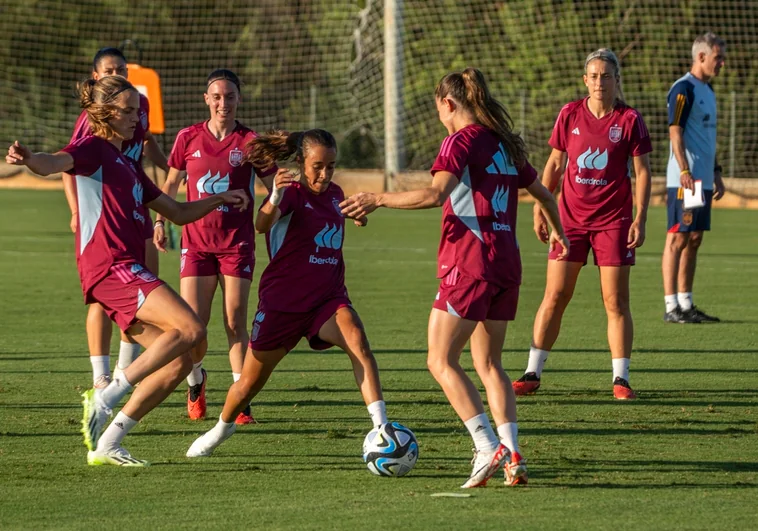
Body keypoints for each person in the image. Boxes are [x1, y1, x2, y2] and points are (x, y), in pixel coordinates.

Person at [340, 68, 568, 488]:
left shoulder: (459, 141)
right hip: (506, 264)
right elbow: (546, 194)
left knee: (440, 359)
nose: (439, 117)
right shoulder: (503, 143)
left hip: (470, 263)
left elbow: (434, 194)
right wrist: (557, 230)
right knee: (489, 363)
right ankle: (513, 454)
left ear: (447, 103)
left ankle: (486, 446)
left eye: (438, 108)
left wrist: (377, 198)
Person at [6, 76, 249, 466]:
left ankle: (110, 443)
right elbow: (55, 163)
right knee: (191, 329)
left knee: (180, 360)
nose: (138, 118)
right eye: (130, 111)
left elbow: (179, 212)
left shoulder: (128, 165)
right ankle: (105, 395)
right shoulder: (93, 149)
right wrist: (30, 159)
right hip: (111, 268)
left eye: (138, 110)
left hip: (127, 268)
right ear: (107, 114)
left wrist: (219, 198)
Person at [186, 129, 392, 459]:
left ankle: (381, 427)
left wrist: (359, 218)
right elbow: (262, 224)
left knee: (358, 340)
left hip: (327, 299)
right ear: (301, 162)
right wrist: (276, 196)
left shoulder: (336, 193)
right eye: (318, 166)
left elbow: (341, 217)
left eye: (331, 166)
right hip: (283, 306)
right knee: (248, 385)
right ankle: (221, 428)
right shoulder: (292, 193)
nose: (325, 174)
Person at [512, 49, 653, 400]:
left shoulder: (630, 119)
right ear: (585, 80)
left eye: (606, 76)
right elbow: (555, 163)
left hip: (614, 222)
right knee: (555, 295)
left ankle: (621, 380)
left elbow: (642, 172)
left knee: (615, 301)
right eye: (594, 76)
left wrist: (640, 217)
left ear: (617, 80)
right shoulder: (569, 114)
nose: (600, 82)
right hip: (568, 220)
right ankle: (532, 372)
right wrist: (540, 208)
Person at [154, 69, 275, 424]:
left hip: (236, 245)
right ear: (206, 99)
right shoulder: (188, 137)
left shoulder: (251, 141)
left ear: (239, 99)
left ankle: (240, 400)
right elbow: (172, 182)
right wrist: (160, 221)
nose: (224, 103)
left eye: (230, 96)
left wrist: (270, 212)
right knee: (194, 326)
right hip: (196, 243)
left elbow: (276, 188)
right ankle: (196, 382)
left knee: (235, 321)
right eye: (217, 96)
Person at [61, 47, 169, 390]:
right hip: (105, 217)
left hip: (136, 203)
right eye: (110, 70)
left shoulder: (137, 106)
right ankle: (101, 377)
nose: (117, 74)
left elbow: (147, 145)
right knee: (103, 296)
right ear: (96, 77)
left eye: (122, 68)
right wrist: (77, 210)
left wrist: (174, 169)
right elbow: (67, 164)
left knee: (143, 286)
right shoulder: (92, 121)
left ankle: (126, 369)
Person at [662, 33, 726, 324]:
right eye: (718, 58)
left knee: (695, 238)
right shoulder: (682, 89)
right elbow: (675, 131)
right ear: (701, 57)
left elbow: (707, 138)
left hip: (703, 179)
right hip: (685, 179)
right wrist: (685, 170)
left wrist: (716, 171)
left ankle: (686, 303)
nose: (722, 63)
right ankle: (671, 306)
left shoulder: (708, 91)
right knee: (678, 237)